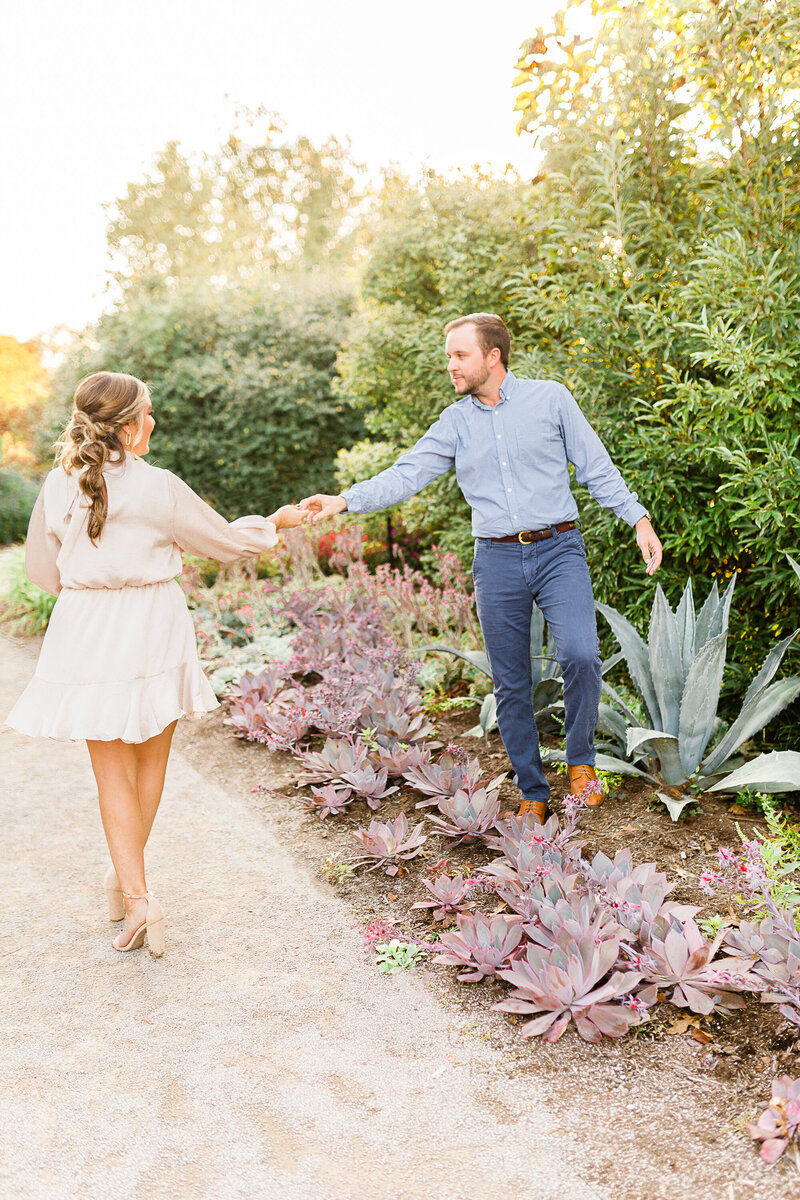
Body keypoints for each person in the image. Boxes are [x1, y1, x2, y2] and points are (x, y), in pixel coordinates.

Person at [299, 313, 662, 823]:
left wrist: (638, 518)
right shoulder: (456, 422)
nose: (451, 365)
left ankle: (581, 764)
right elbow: (408, 474)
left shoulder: (551, 399)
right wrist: (343, 500)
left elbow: (595, 465)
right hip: (496, 559)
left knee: (581, 654)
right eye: (449, 355)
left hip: (559, 548)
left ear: (493, 356)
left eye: (459, 354)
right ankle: (533, 791)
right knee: (510, 681)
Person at [5, 371, 307, 956]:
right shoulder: (160, 487)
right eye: (147, 412)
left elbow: (42, 576)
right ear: (125, 425)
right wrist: (277, 522)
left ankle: (132, 889)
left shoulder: (57, 484)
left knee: (110, 771)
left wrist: (86, 587)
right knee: (151, 762)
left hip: (86, 628)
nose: (154, 421)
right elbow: (227, 542)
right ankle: (133, 889)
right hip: (153, 624)